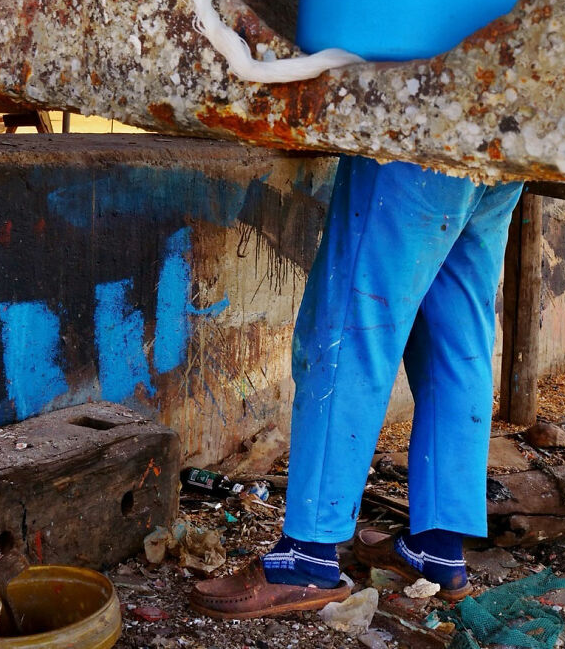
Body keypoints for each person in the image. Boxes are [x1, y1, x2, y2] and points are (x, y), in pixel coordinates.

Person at [191, 153, 523, 619]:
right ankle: (437, 549)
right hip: (503, 141)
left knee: (350, 325)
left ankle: (306, 556)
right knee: (456, 340)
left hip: (417, 134)